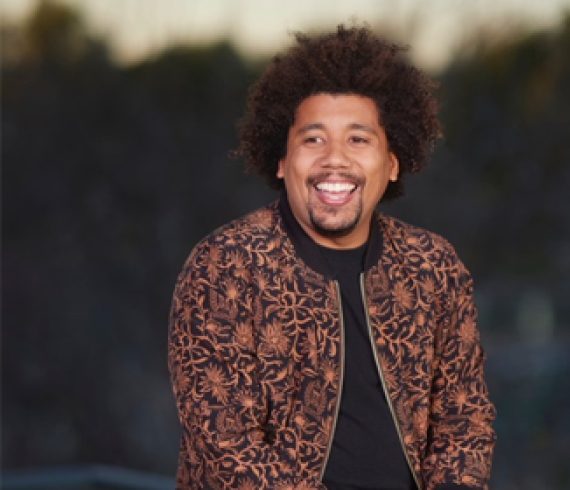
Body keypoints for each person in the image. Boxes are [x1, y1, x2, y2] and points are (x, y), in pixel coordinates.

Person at [168, 25, 496, 490]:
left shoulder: (433, 267)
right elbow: (227, 448)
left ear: (393, 162)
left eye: (358, 140)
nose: (335, 160)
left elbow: (464, 420)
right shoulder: (225, 267)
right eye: (313, 139)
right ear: (281, 160)